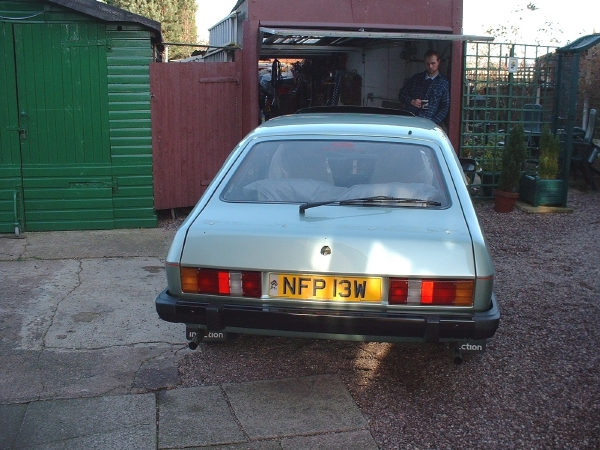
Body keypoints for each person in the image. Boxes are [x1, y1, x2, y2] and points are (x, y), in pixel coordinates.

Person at [398, 50, 450, 126]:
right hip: (410, 120)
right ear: (424, 63)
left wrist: (433, 123)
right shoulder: (415, 78)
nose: (430, 66)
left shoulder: (444, 83)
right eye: (427, 64)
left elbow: (445, 107)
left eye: (433, 63)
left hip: (428, 123)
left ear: (438, 62)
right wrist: (412, 101)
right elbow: (401, 94)